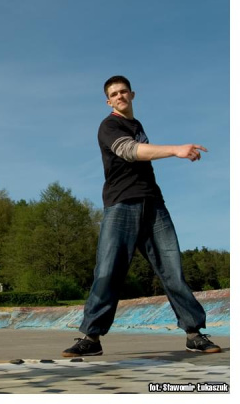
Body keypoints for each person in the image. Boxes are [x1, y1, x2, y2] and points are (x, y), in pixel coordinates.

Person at [61, 75, 221, 358]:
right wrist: (175, 150)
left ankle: (194, 334)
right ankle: (91, 337)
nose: (120, 96)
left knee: (172, 271)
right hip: (121, 205)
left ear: (132, 95)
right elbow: (129, 151)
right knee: (108, 271)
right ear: (108, 100)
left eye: (124, 91)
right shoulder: (109, 125)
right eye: (114, 94)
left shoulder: (137, 125)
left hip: (154, 205)